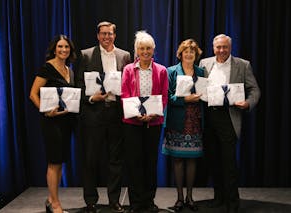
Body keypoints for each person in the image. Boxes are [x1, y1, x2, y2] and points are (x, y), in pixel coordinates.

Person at [199, 34, 261, 213]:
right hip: (208, 116)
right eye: (218, 47)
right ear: (213, 47)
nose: (221, 50)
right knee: (214, 161)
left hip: (229, 117)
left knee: (229, 163)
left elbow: (255, 89)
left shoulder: (243, 64)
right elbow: (200, 86)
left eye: (225, 47)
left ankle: (232, 202)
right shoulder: (205, 63)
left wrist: (248, 103)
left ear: (230, 47)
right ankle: (219, 198)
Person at [76, 21, 131, 213]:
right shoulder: (86, 55)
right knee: (91, 160)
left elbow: (129, 83)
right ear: (98, 35)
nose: (107, 37)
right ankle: (90, 201)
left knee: (116, 160)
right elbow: (78, 85)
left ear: (115, 35)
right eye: (103, 34)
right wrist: (91, 97)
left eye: (110, 33)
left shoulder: (125, 56)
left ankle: (114, 200)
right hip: (93, 114)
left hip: (117, 114)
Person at [121, 31, 168, 213]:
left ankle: (149, 201)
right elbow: (125, 94)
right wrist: (136, 114)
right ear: (136, 51)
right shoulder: (128, 70)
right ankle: (136, 202)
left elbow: (164, 97)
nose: (145, 51)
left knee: (150, 162)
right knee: (134, 163)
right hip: (132, 123)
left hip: (153, 123)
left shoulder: (161, 70)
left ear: (153, 50)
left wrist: (154, 114)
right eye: (142, 48)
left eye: (148, 48)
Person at [29, 34, 77, 213]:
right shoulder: (47, 68)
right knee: (54, 162)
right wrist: (45, 110)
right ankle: (56, 204)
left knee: (60, 162)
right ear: (54, 49)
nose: (63, 50)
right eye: (60, 47)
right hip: (51, 122)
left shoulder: (69, 70)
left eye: (66, 47)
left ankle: (51, 199)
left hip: (67, 122)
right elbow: (33, 94)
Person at [162, 39, 205, 212]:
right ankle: (179, 198)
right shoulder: (171, 71)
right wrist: (184, 99)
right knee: (178, 160)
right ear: (180, 54)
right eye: (186, 51)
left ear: (196, 55)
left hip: (195, 121)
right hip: (177, 121)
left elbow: (206, 93)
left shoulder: (201, 71)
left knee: (192, 159)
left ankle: (190, 197)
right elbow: (167, 96)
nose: (189, 54)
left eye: (192, 52)